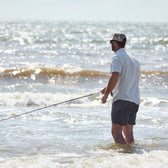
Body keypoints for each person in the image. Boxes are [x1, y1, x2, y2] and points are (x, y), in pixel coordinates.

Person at [101, 32, 140, 144]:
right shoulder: (134, 60)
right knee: (129, 133)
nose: (111, 44)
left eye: (111, 42)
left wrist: (106, 95)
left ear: (115, 43)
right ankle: (132, 156)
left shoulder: (117, 57)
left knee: (116, 132)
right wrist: (108, 88)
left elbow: (115, 75)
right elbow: (126, 79)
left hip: (122, 100)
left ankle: (124, 157)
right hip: (134, 101)